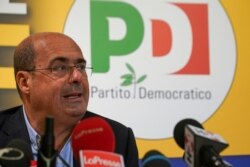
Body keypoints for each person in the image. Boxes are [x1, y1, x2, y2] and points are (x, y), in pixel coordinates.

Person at [0, 32, 139, 167]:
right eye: (60, 67)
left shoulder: (118, 139)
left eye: (81, 67)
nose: (77, 76)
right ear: (25, 82)